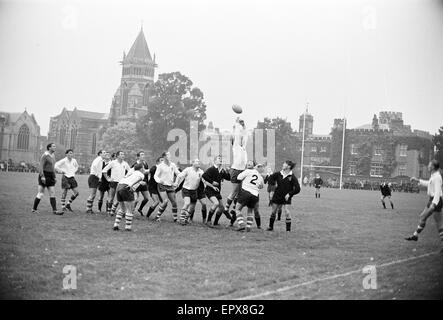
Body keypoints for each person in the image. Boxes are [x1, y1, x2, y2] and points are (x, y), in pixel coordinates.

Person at [405, 160, 443, 250]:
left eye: (430, 165)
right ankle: (415, 236)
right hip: (432, 200)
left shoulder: (437, 177)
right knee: (423, 217)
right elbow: (429, 184)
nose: (428, 166)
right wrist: (417, 180)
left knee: (437, 222)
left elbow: (437, 192)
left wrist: (433, 204)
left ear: (433, 167)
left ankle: (415, 235)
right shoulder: (434, 176)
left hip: (436, 201)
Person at [223, 117, 248, 218]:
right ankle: (226, 209)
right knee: (234, 192)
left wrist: (243, 125)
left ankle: (233, 209)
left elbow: (244, 135)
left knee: (240, 192)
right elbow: (237, 135)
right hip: (236, 170)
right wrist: (237, 123)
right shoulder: (236, 146)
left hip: (242, 170)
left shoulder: (243, 148)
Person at [266, 160, 301, 232]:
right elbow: (270, 179)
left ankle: (288, 230)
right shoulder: (278, 174)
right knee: (273, 212)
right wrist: (273, 185)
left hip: (286, 197)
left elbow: (298, 189)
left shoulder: (292, 177)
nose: (283, 165)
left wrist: (290, 194)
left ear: (288, 166)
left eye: (284, 164)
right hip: (277, 195)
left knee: (287, 212)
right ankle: (270, 227)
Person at [32, 143, 63, 215]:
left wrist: (54, 177)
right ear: (49, 148)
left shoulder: (53, 155)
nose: (55, 147)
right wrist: (42, 176)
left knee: (52, 193)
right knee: (41, 194)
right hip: (44, 175)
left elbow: (53, 167)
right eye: (53, 146)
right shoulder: (45, 155)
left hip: (51, 176)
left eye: (55, 146)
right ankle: (34, 209)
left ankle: (55, 211)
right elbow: (41, 167)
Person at [113, 163, 146, 231]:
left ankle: (116, 225)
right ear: (141, 169)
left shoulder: (132, 173)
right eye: (143, 168)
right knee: (130, 209)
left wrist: (138, 183)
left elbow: (125, 180)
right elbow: (138, 178)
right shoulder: (141, 174)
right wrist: (131, 184)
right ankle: (128, 228)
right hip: (126, 188)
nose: (144, 169)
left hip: (119, 186)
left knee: (122, 209)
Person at [201, 155, 232, 227]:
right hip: (209, 190)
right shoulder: (211, 169)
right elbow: (204, 176)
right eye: (219, 159)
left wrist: (228, 171)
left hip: (217, 191)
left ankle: (215, 222)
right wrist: (212, 182)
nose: (220, 160)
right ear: (215, 161)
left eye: (221, 159)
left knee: (221, 208)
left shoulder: (221, 170)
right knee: (216, 203)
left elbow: (229, 178)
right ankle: (208, 221)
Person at [234, 161, 264, 232]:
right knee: (250, 211)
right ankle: (248, 228)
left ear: (254, 166)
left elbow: (238, 177)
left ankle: (241, 225)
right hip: (255, 195)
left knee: (237, 209)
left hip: (246, 192)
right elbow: (261, 186)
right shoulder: (260, 176)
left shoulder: (248, 171)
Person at [174, 159, 204, 225]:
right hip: (186, 190)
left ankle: (185, 219)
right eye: (197, 161)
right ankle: (181, 220)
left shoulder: (201, 172)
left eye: (199, 161)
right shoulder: (188, 169)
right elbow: (179, 176)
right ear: (193, 163)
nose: (199, 162)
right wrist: (176, 182)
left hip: (194, 191)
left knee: (192, 208)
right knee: (187, 203)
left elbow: (204, 180)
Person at [153, 151, 181, 222]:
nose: (170, 156)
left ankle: (175, 219)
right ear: (164, 157)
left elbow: (178, 174)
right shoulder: (160, 166)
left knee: (174, 202)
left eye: (170, 155)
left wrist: (177, 182)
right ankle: (157, 217)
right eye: (168, 155)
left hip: (170, 186)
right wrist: (159, 180)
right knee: (165, 201)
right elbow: (155, 176)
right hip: (162, 185)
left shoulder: (173, 165)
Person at [102, 151, 131, 216]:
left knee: (119, 198)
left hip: (121, 183)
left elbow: (130, 171)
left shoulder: (125, 163)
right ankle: (109, 211)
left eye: (123, 154)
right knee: (111, 198)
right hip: (114, 182)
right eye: (121, 154)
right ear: (117, 156)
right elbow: (104, 171)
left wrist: (126, 177)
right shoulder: (113, 162)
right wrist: (108, 179)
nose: (123, 155)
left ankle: (113, 210)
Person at [130, 151, 150, 216]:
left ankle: (140, 209)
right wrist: (139, 181)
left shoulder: (145, 163)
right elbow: (132, 175)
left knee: (147, 198)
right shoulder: (135, 165)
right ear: (138, 157)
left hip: (144, 183)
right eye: (142, 155)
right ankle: (131, 212)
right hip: (136, 183)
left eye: (144, 155)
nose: (143, 156)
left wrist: (146, 181)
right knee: (136, 200)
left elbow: (145, 173)